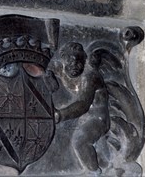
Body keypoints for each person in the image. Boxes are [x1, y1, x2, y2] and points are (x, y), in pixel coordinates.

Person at [47, 42, 110, 174]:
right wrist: (47, 74)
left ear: (84, 60)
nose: (74, 65)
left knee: (80, 141)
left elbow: (83, 104)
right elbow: (45, 65)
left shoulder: (89, 76)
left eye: (79, 61)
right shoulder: (62, 69)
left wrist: (60, 115)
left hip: (98, 119)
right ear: (63, 61)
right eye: (70, 61)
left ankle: (94, 172)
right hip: (82, 119)